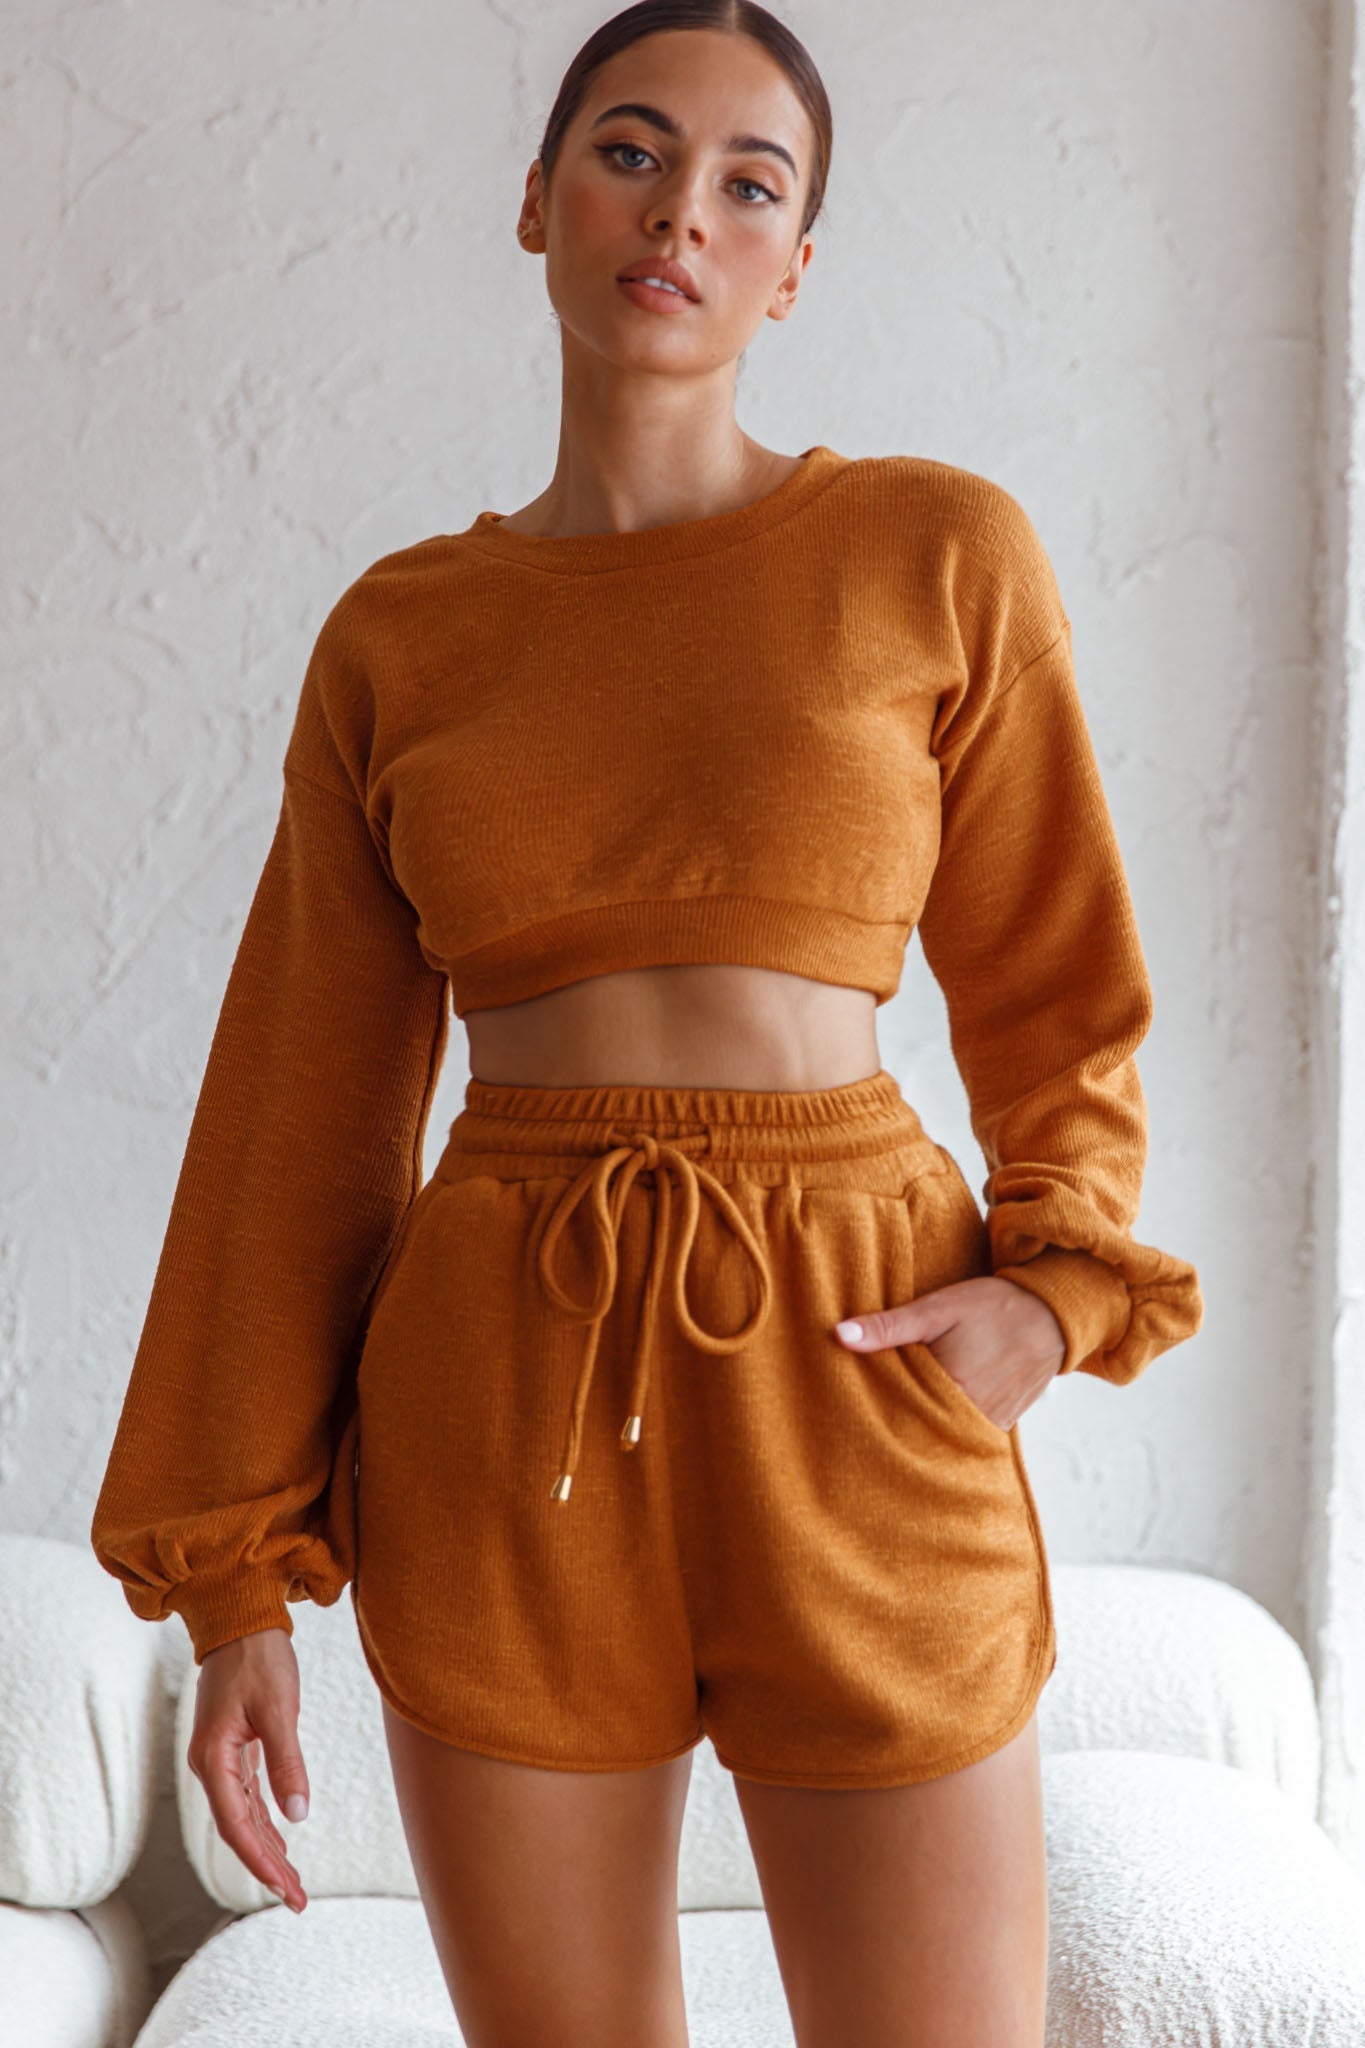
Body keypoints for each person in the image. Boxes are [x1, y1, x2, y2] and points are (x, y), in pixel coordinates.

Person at [89, 3, 1203, 2041]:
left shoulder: (936, 553)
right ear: (535, 202)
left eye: (746, 184)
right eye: (629, 151)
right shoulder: (402, 637)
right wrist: (233, 1580)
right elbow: (299, 1107)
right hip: (504, 1387)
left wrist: (1053, 1295)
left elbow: (1060, 980)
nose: (680, 211)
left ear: (795, 265)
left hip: (860, 1363)